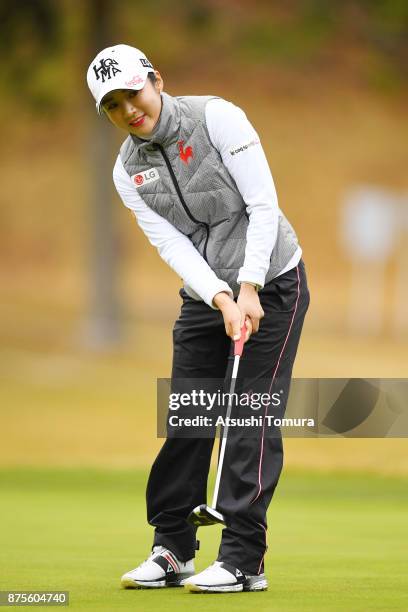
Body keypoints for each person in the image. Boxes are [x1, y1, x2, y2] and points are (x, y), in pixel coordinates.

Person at [87, 44, 310, 594]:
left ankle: (243, 559)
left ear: (156, 80)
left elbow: (262, 204)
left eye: (132, 93)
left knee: (249, 418)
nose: (128, 110)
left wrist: (250, 287)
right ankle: (173, 547)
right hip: (207, 294)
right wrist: (220, 296)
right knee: (187, 416)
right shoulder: (126, 170)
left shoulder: (218, 118)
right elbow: (173, 244)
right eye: (112, 105)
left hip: (274, 282)